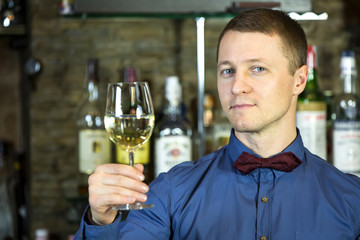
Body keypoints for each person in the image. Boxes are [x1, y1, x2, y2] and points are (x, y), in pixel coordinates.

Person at [74, 8, 360, 240]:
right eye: (227, 71)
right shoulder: (171, 193)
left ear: (299, 80)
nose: (237, 86)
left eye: (257, 69)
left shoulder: (352, 200)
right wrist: (101, 220)